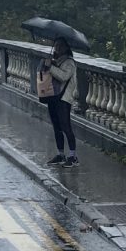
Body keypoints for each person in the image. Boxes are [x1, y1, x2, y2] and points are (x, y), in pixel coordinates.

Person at [43, 37, 78, 167]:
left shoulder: (69, 62)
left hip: (64, 98)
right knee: (56, 127)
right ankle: (61, 154)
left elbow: (64, 77)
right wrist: (47, 65)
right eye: (56, 46)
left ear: (66, 48)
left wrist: (51, 67)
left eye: (60, 46)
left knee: (65, 127)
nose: (57, 48)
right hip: (53, 96)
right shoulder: (57, 61)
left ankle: (73, 156)